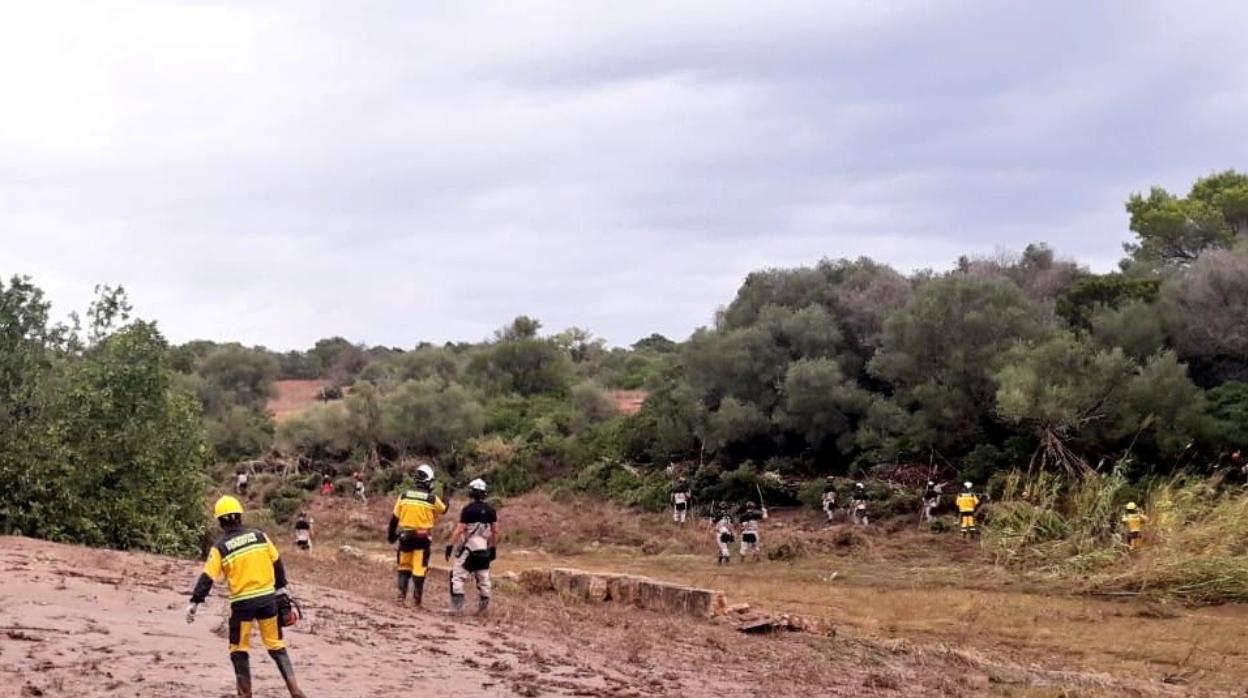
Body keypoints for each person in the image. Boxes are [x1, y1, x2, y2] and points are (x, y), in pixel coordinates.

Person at [187, 496, 307, 698]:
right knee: (276, 646)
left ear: (220, 521)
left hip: (242, 605)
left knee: (239, 649)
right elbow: (277, 563)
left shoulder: (220, 547)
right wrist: (281, 590)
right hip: (268, 601)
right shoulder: (260, 536)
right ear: (240, 516)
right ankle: (295, 690)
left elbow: (208, 576)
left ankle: (245, 694)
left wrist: (195, 602)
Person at [387, 463, 447, 607]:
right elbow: (443, 510)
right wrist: (447, 497)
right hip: (422, 538)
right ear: (428, 482)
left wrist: (391, 536)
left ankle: (401, 597)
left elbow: (394, 518)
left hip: (405, 537)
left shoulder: (404, 495)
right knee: (419, 568)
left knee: (404, 567)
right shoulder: (432, 499)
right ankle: (416, 600)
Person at [446, 478, 498, 615]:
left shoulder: (467, 510)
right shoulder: (491, 510)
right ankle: (483, 609)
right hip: (484, 550)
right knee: (483, 578)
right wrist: (493, 548)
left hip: (469, 549)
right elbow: (495, 531)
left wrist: (450, 546)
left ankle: (457, 608)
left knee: (457, 576)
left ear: (472, 492)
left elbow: (460, 529)